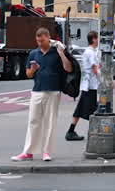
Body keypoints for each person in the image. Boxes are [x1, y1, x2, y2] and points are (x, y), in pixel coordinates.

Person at [11, 28, 73, 162]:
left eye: (42, 41)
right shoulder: (34, 53)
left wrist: (62, 53)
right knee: (33, 121)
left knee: (49, 122)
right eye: (38, 41)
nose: (40, 43)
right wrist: (33, 69)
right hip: (37, 90)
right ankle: (28, 152)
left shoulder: (56, 52)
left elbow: (68, 68)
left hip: (53, 90)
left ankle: (46, 152)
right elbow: (28, 74)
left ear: (48, 38)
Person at [66, 30, 100, 142]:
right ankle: (106, 130)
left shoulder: (89, 51)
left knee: (82, 109)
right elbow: (95, 69)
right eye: (97, 38)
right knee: (97, 109)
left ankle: (71, 131)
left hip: (87, 85)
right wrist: (105, 81)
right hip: (90, 85)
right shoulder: (90, 53)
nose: (98, 40)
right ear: (94, 39)